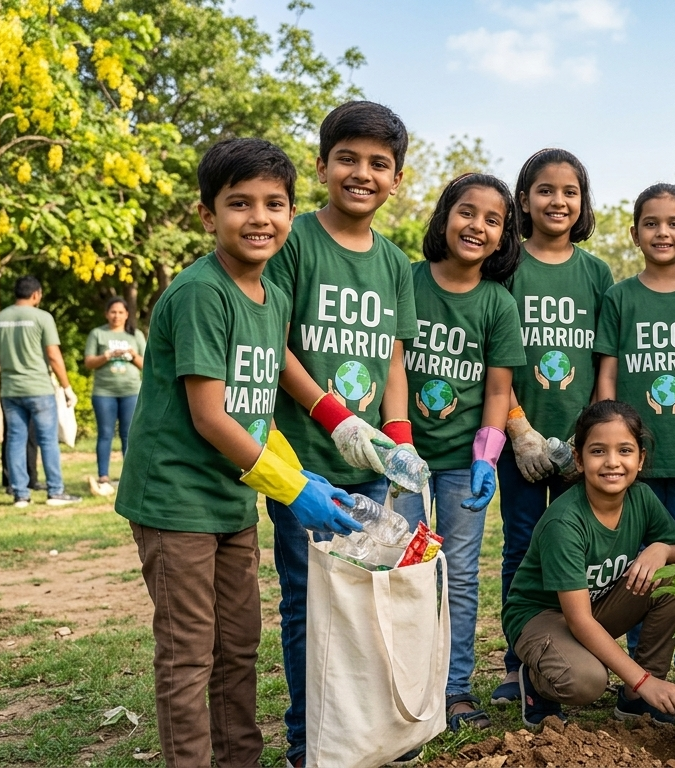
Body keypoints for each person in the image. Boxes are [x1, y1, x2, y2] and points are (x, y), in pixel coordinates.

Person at [115, 138, 358, 767]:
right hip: (176, 501)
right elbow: (210, 416)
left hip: (230, 500)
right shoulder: (203, 293)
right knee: (190, 653)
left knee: (240, 644)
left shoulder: (271, 297)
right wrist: (292, 490)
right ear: (208, 215)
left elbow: (256, 410)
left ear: (291, 212)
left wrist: (302, 473)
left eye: (274, 204)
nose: (259, 218)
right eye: (239, 203)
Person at [262, 101, 423, 767]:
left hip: (372, 467)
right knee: (311, 602)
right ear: (321, 165)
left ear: (397, 180)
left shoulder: (394, 263)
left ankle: (370, 730)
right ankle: (312, 742)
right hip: (303, 463)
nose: (362, 173)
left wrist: (397, 438)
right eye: (347, 159)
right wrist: (335, 417)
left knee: (371, 595)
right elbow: (271, 343)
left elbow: (393, 360)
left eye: (378, 164)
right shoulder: (293, 240)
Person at [398, 174, 526, 731]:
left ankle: (455, 690)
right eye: (466, 212)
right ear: (444, 217)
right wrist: (397, 442)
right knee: (405, 570)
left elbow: (498, 390)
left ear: (503, 236)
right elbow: (390, 363)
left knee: (460, 576)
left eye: (492, 220)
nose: (477, 226)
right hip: (401, 459)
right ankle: (405, 692)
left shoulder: (497, 303)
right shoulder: (405, 281)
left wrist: (486, 455)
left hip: (461, 465)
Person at [491, 148, 614, 705]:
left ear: (583, 202)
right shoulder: (507, 266)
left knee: (575, 551)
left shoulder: (596, 273)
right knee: (521, 546)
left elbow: (604, 359)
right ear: (523, 199)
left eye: (570, 192)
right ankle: (517, 665)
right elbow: (494, 356)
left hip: (579, 444)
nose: (557, 201)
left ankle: (569, 652)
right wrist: (518, 428)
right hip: (518, 439)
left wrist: (591, 438)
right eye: (545, 190)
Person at [501, 400, 675, 728]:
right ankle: (537, 682)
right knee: (586, 681)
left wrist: (661, 549)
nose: (612, 462)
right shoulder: (565, 522)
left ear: (640, 458)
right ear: (578, 459)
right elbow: (578, 621)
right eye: (598, 451)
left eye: (624, 451)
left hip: (591, 607)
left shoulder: (642, 498)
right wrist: (643, 680)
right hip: (541, 617)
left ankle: (636, 701)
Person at [594, 183, 675, 702]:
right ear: (634, 233)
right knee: (637, 561)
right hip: (631, 460)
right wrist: (605, 439)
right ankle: (647, 662)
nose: (662, 232)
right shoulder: (620, 297)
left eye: (673, 223)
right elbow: (607, 374)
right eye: (651, 223)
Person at [0, 275, 80, 507]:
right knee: (47, 440)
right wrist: (67, 387)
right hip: (39, 389)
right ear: (36, 294)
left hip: (10, 390)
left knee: (15, 440)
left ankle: (20, 494)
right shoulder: (42, 318)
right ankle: (55, 492)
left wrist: (10, 363)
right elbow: (54, 356)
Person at [84, 297, 146, 497]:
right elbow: (89, 363)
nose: (116, 316)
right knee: (105, 434)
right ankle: (103, 477)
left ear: (127, 314)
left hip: (131, 391)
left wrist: (132, 355)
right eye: (113, 312)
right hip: (104, 393)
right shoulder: (97, 334)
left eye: (120, 312)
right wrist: (107, 356)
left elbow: (148, 364)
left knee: (129, 435)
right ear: (106, 314)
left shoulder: (135, 335)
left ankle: (129, 477)